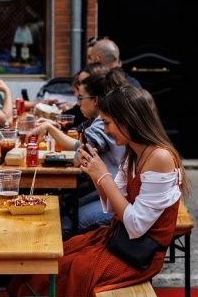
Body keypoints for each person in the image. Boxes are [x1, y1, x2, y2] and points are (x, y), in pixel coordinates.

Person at [8, 86, 189, 297]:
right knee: (53, 257)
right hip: (118, 240)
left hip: (138, 257)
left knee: (63, 271)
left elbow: (136, 225)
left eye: (107, 122)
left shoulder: (160, 158)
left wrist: (103, 176)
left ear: (127, 120)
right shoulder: (133, 151)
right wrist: (95, 175)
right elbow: (113, 206)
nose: (106, 130)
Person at [30, 69, 128, 233]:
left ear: (96, 100)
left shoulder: (104, 124)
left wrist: (51, 130)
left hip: (119, 196)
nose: (77, 103)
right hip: (111, 192)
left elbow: (79, 156)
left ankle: (64, 255)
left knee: (67, 222)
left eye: (80, 98)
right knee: (65, 207)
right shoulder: (105, 120)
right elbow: (79, 150)